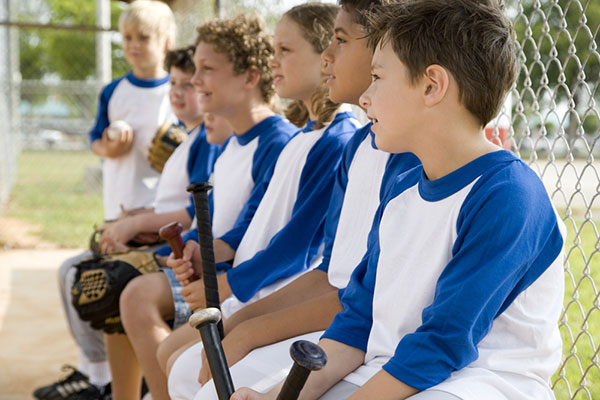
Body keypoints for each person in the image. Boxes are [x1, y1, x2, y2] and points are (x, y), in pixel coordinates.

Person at [233, 0, 566, 399]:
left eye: (377, 77)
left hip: (480, 383)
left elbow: (443, 342)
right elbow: (356, 324)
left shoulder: (508, 195)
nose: (367, 97)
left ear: (431, 86)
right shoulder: (401, 190)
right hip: (396, 371)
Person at [168, 2, 420, 399]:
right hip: (338, 320)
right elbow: (329, 268)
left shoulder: (374, 147)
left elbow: (314, 258)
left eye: (339, 41)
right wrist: (240, 309)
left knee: (200, 381)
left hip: (357, 334)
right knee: (186, 371)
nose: (327, 57)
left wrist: (242, 308)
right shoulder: (358, 145)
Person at [110, 13, 297, 400]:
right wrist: (181, 253)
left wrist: (209, 269)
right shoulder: (231, 143)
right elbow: (208, 223)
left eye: (206, 69)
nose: (195, 82)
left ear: (249, 77)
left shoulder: (278, 141)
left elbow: (253, 235)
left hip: (251, 287)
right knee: (118, 291)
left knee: (135, 297)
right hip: (225, 278)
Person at [33, 1, 177, 399]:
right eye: (127, 38)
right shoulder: (115, 91)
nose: (132, 45)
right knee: (84, 282)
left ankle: (126, 378)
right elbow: (95, 140)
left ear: (165, 41)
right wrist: (108, 147)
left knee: (104, 287)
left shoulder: (176, 94)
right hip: (118, 211)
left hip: (158, 219)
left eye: (142, 38)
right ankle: (96, 375)